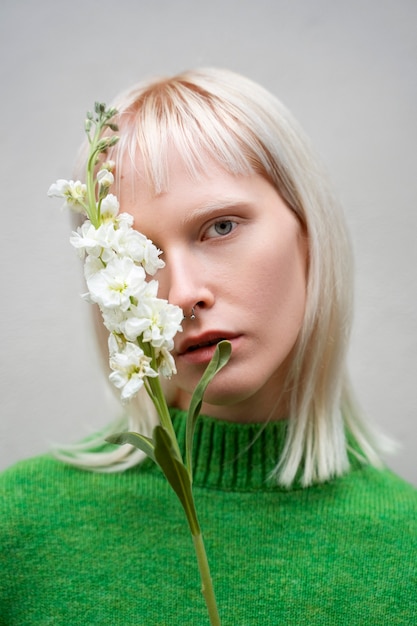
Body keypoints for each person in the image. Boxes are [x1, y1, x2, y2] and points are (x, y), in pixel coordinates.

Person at [1, 68, 416, 625]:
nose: (183, 294)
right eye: (140, 252)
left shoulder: (403, 549)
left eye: (220, 227)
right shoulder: (19, 528)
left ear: (308, 233)